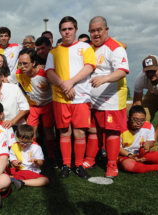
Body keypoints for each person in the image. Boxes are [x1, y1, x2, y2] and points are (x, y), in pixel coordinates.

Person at [45, 16, 96, 179]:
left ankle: (79, 165)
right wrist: (63, 85)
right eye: (63, 29)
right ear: (60, 31)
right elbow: (50, 72)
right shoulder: (53, 52)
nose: (67, 32)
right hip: (61, 98)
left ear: (75, 29)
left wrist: (71, 83)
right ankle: (66, 165)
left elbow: (89, 67)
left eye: (70, 29)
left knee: (80, 133)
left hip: (81, 98)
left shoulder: (85, 48)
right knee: (64, 133)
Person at [82, 16, 130, 178]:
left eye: (99, 30)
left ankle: (111, 165)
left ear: (106, 30)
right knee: (93, 130)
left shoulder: (116, 48)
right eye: (93, 31)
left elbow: (122, 70)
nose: (96, 34)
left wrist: (103, 79)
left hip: (111, 98)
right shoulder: (88, 48)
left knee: (112, 132)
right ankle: (90, 159)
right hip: (92, 99)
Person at [8, 49, 57, 168]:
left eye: (25, 64)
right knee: (31, 132)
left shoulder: (45, 73)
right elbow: (6, 80)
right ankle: (32, 156)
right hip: (32, 107)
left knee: (49, 131)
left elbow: (57, 84)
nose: (22, 67)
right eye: (20, 63)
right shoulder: (18, 72)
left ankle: (51, 156)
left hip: (48, 105)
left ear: (34, 63)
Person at [133, 55, 158, 151]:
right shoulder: (140, 78)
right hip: (154, 93)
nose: (150, 74)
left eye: (154, 71)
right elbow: (137, 105)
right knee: (142, 118)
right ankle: (151, 151)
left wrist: (155, 136)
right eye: (147, 71)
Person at [118, 105, 158, 173]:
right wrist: (130, 156)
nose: (139, 123)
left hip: (143, 154)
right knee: (132, 166)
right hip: (125, 155)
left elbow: (151, 141)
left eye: (142, 120)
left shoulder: (148, 126)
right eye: (135, 120)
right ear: (129, 118)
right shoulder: (121, 127)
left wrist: (147, 145)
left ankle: (143, 159)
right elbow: (117, 147)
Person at [0, 66, 30, 130]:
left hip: (17, 126)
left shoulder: (14, 88)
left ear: (2, 77)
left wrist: (12, 122)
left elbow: (25, 108)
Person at [7, 124, 49, 190]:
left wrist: (36, 161)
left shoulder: (36, 147)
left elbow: (41, 163)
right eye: (22, 142)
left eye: (28, 142)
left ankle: (21, 182)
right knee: (1, 170)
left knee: (45, 180)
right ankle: (13, 178)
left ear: (32, 138)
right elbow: (12, 161)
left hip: (30, 171)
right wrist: (15, 163)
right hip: (17, 170)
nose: (25, 145)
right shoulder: (14, 146)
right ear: (17, 137)